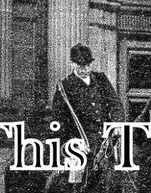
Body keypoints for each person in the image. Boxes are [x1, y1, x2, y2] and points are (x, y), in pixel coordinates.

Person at [51, 44, 125, 184]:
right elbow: (57, 120)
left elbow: (115, 104)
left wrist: (117, 123)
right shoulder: (65, 86)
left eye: (88, 65)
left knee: (117, 178)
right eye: (80, 65)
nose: (85, 69)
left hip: (104, 140)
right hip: (80, 143)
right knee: (77, 181)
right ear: (72, 63)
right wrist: (72, 141)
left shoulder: (101, 79)